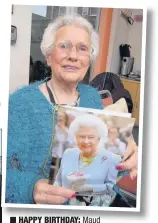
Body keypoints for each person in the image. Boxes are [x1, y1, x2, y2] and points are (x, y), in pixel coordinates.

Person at [6, 14, 138, 205]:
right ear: (49, 55)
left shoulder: (91, 95)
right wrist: (30, 187)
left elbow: (106, 157)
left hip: (100, 200)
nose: (73, 56)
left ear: (89, 59)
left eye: (82, 48)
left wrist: (128, 153)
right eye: (64, 46)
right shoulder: (20, 103)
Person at [54, 114, 121, 206]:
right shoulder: (68, 153)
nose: (86, 141)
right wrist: (54, 195)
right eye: (81, 136)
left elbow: (110, 187)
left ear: (99, 138)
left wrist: (84, 189)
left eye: (91, 137)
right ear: (75, 137)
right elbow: (58, 180)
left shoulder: (112, 159)